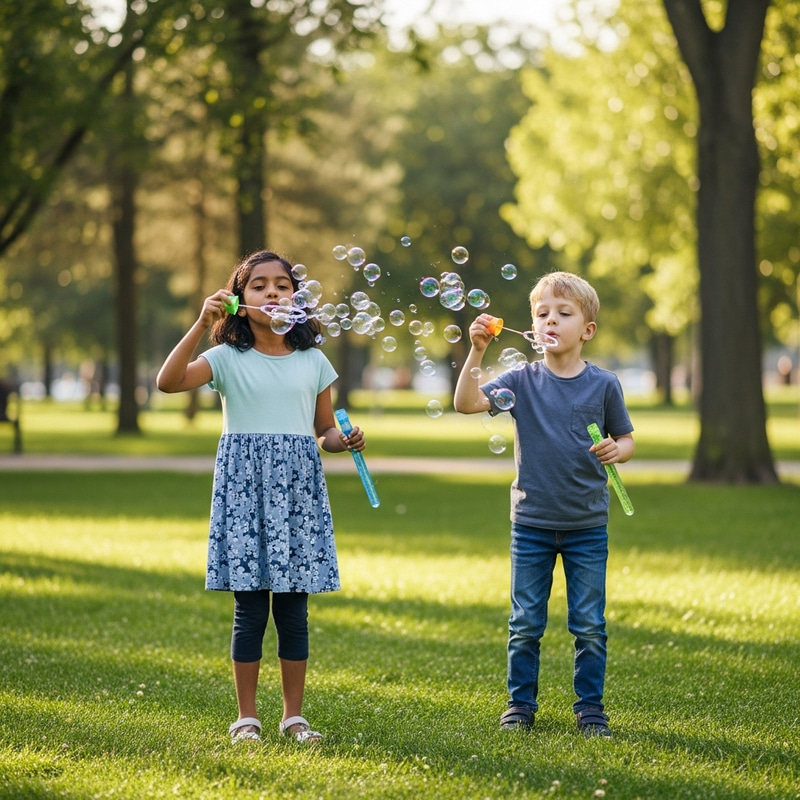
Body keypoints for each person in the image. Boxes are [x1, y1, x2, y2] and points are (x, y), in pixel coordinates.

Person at [156, 250, 365, 745]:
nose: (273, 292)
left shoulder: (314, 361)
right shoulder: (228, 358)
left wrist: (346, 439)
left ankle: (293, 716)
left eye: (283, 285)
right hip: (244, 491)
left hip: (297, 492)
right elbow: (167, 382)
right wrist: (200, 323)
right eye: (258, 285)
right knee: (250, 609)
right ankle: (246, 717)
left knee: (294, 610)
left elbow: (323, 432)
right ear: (239, 300)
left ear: (297, 298)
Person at [453, 271, 634, 738]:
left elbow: (626, 439)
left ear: (587, 330)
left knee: (590, 624)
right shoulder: (521, 379)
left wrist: (620, 450)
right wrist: (477, 350)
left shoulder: (604, 384)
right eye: (541, 313)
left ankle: (590, 708)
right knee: (525, 622)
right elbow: (466, 403)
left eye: (563, 313)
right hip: (531, 523)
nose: (549, 320)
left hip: (587, 525)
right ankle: (519, 706)